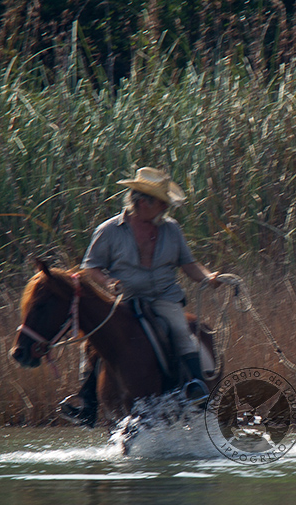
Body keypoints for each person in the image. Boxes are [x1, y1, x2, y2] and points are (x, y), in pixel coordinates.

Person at [60, 166, 222, 426]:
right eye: (140, 196)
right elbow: (91, 267)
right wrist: (109, 282)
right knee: (94, 342)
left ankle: (196, 387)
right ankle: (87, 402)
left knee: (181, 331)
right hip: (125, 299)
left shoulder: (172, 230)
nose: (144, 203)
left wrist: (208, 277)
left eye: (153, 200)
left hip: (165, 297)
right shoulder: (110, 230)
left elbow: (189, 265)